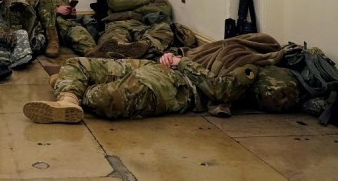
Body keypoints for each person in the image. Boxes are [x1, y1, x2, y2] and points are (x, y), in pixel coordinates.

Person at [22, 53, 258, 124]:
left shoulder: (251, 65)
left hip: (176, 86)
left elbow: (222, 91)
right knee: (77, 63)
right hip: (155, 66)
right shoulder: (229, 46)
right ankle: (68, 99)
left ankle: (70, 86)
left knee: (108, 98)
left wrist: (182, 63)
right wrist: (173, 56)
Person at [87, 0, 173, 59]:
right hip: (119, 24)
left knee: (165, 31)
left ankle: (139, 48)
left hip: (145, 25)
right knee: (113, 41)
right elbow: (116, 3)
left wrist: (130, 7)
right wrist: (145, 2)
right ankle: (139, 53)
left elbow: (165, 10)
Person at [21, 0, 96, 58]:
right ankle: (52, 40)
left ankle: (92, 50)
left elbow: (66, 18)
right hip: (41, 26)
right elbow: (29, 11)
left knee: (74, 27)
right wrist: (55, 10)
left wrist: (70, 13)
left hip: (62, 27)